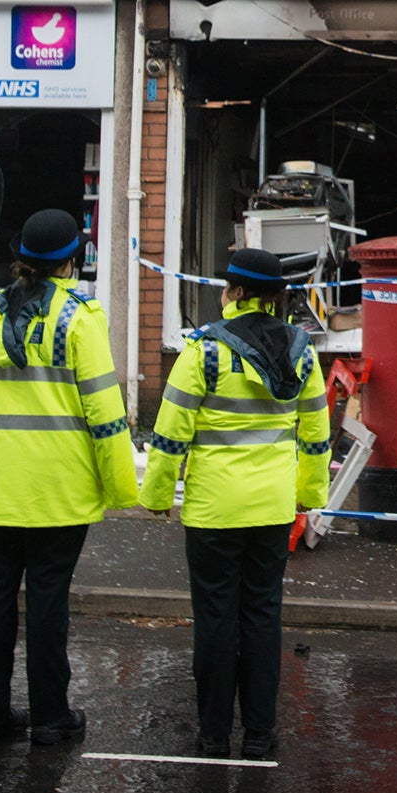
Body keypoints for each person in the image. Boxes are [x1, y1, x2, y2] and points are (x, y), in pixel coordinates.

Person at [139, 248, 331, 760]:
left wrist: (158, 495)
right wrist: (310, 496)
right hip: (272, 509)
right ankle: (262, 734)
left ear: (236, 293)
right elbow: (316, 434)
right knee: (263, 618)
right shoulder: (302, 352)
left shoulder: (203, 351)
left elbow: (170, 433)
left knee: (216, 619)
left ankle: (213, 735)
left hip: (213, 512)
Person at [0, 208, 137, 745]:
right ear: (72, 261)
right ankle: (51, 718)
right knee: (47, 605)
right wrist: (122, 490)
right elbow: (106, 416)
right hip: (57, 493)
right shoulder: (79, 320)